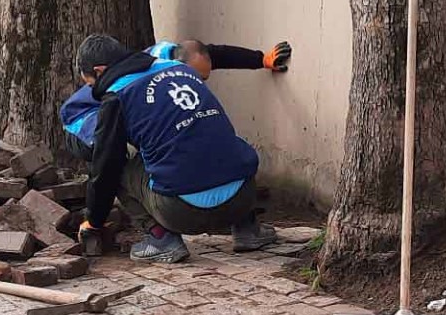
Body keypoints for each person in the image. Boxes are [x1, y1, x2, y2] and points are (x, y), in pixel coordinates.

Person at [74, 34, 278, 263]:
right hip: (242, 198)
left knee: (115, 165)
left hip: (181, 213)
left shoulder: (116, 97)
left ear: (100, 71)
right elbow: (214, 52)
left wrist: (94, 221)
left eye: (91, 84)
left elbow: (105, 169)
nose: (94, 91)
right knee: (221, 142)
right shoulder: (183, 69)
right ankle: (248, 230)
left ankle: (161, 239)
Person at [60, 38, 290, 159]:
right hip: (81, 123)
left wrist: (261, 60)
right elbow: (109, 141)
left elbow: (215, 54)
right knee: (115, 155)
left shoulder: (180, 56)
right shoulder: (147, 72)